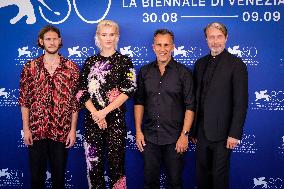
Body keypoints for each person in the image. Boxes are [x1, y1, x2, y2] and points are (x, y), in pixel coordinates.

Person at [76, 20, 136, 189]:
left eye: (112, 34)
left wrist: (104, 113)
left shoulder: (125, 61)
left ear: (117, 36)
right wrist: (96, 113)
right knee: (93, 168)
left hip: (116, 122)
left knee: (117, 167)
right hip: (92, 122)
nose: (108, 38)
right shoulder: (90, 62)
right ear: (98, 37)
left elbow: (129, 90)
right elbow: (81, 91)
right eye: (104, 35)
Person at [19, 25, 79, 189]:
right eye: (48, 39)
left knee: (59, 179)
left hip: (61, 131)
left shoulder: (71, 68)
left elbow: (75, 102)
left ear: (60, 41)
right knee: (36, 179)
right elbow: (24, 101)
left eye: (54, 39)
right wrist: (26, 128)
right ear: (41, 41)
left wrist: (73, 130)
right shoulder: (30, 68)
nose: (52, 42)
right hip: (37, 130)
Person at [134, 29, 195, 189]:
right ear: (153, 47)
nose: (163, 49)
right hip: (149, 137)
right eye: (159, 45)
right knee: (149, 183)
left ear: (173, 47)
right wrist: (139, 131)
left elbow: (190, 106)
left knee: (175, 183)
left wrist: (184, 135)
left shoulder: (184, 73)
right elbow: (139, 102)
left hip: (175, 139)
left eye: (166, 45)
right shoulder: (144, 72)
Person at [192, 22, 248, 189]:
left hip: (224, 134)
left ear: (226, 38)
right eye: (211, 37)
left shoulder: (237, 65)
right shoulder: (200, 64)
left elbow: (241, 102)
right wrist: (194, 130)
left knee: (219, 176)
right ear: (206, 39)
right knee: (201, 175)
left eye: (219, 37)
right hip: (201, 132)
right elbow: (197, 99)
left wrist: (234, 133)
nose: (215, 41)